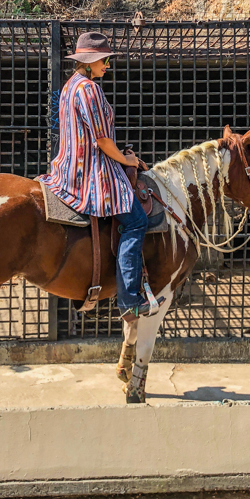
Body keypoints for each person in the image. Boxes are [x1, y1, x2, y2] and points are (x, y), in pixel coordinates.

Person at [38, 31, 158, 320]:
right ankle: (129, 299)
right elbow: (103, 141)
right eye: (103, 60)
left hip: (65, 168)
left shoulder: (69, 87)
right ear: (89, 61)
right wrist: (127, 158)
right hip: (90, 173)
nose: (107, 65)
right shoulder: (90, 90)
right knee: (136, 222)